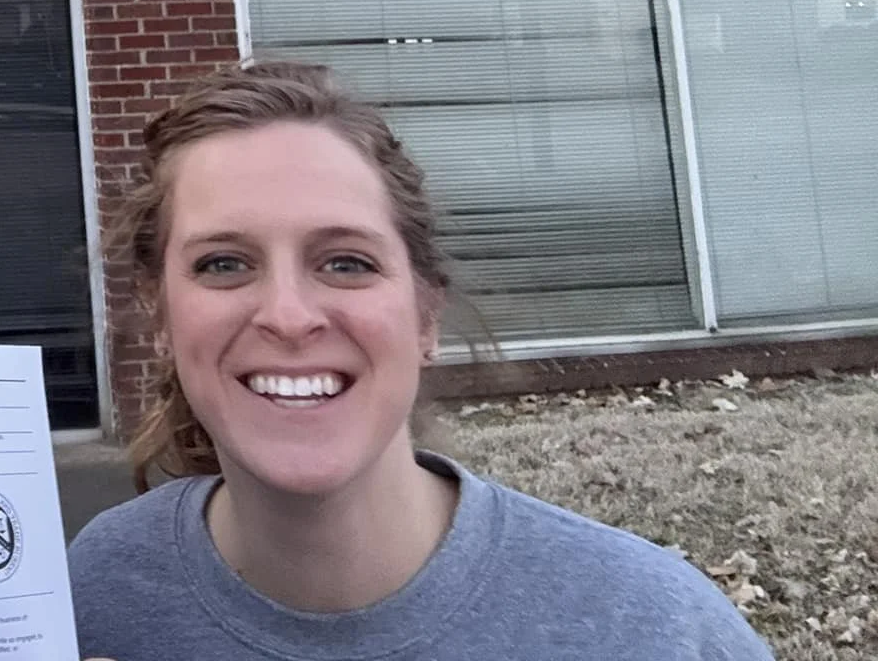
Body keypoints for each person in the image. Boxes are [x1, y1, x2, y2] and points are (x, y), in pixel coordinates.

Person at [68, 60, 771, 661]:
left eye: (346, 262)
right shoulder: (87, 597)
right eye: (223, 263)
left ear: (425, 314)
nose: (287, 315)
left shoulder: (648, 631)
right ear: (160, 312)